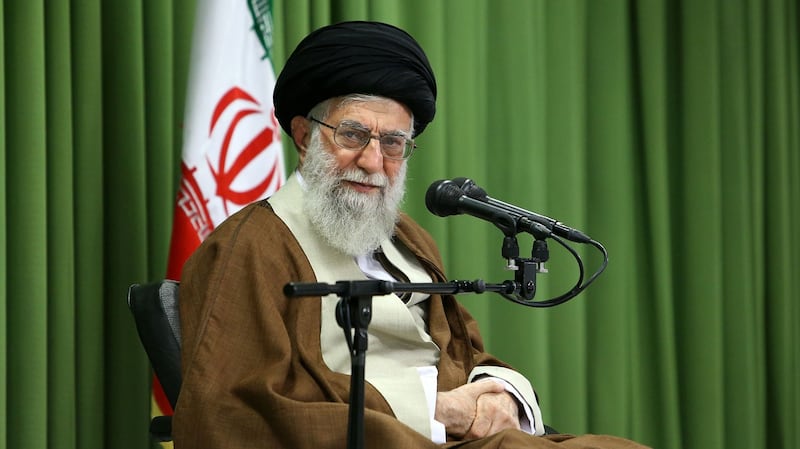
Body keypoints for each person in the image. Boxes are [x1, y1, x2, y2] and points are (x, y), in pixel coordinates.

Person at [172, 21, 649, 449]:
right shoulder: (251, 246)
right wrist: (435, 411)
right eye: (353, 134)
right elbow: (235, 410)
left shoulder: (406, 240)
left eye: (394, 143)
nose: (373, 162)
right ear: (303, 135)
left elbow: (464, 351)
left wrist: (501, 396)